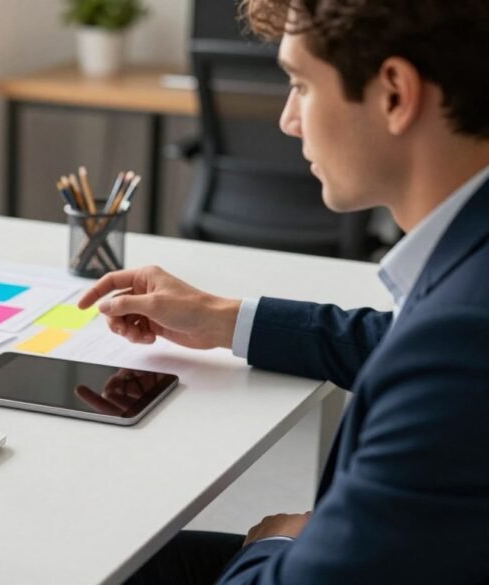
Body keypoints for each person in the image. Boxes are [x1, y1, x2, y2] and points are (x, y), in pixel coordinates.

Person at [79, 1, 489, 583]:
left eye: (300, 85)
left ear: (395, 94)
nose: (288, 120)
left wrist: (271, 542)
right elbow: (399, 342)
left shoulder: (461, 345)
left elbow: (433, 359)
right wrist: (220, 317)